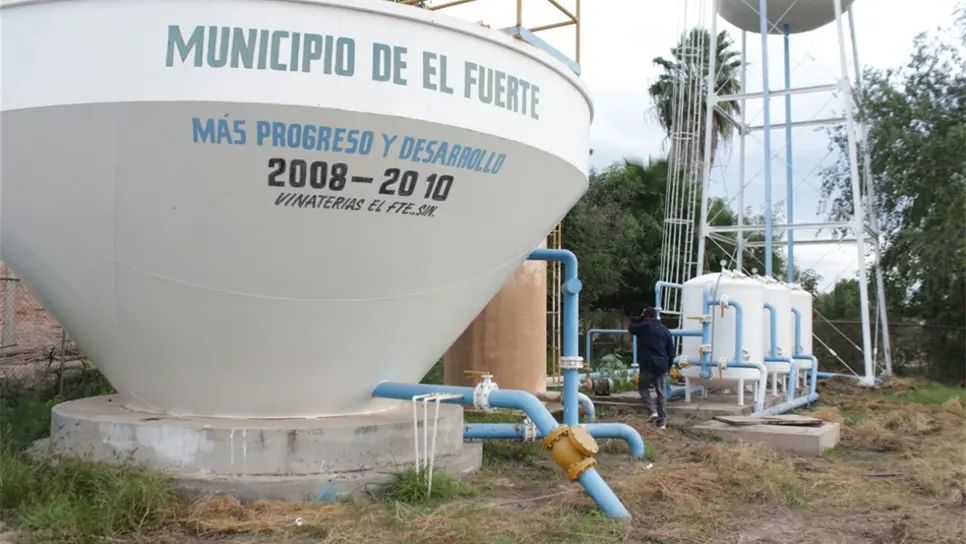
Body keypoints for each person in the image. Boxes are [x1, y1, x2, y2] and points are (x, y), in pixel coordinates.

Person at [628, 307, 676, 429]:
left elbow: (631, 327)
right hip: (662, 366)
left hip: (647, 364)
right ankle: (662, 422)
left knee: (643, 387)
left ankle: (652, 411)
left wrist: (640, 318)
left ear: (647, 316)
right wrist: (669, 366)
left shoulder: (645, 326)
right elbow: (671, 352)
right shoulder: (666, 331)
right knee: (661, 393)